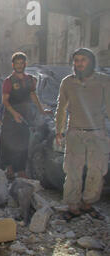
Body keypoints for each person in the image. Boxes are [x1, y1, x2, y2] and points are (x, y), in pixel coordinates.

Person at [55, 48, 110, 221]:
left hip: (97, 133)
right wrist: (59, 131)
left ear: (91, 62)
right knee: (72, 171)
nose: (79, 63)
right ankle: (73, 207)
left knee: (97, 170)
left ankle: (88, 204)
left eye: (83, 60)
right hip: (75, 132)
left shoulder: (103, 81)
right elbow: (61, 108)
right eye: (76, 60)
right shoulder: (68, 82)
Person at [0, 52, 48, 178]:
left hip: (25, 115)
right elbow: (5, 100)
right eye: (17, 63)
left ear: (25, 64)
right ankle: (9, 169)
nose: (19, 66)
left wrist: (42, 110)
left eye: (22, 63)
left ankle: (20, 170)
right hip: (10, 116)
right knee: (7, 143)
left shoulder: (29, 79)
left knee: (23, 143)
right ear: (13, 65)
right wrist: (14, 114)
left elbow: (33, 96)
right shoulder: (8, 81)